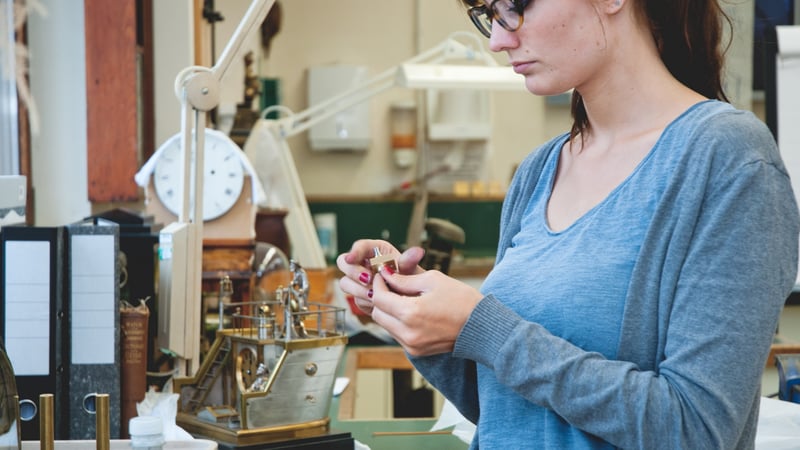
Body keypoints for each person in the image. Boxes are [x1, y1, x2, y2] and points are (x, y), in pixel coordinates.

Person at [336, 0, 800, 448]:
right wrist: (417, 318)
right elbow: (509, 409)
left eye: (516, 5)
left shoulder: (728, 160)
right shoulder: (540, 170)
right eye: (489, 16)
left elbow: (695, 431)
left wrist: (484, 327)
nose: (498, 39)